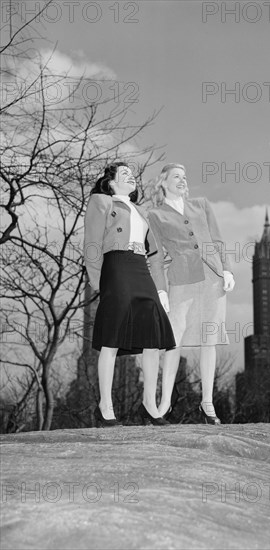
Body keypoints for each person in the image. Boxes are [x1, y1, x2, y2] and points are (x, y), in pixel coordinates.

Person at [84, 162, 176, 427]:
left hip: (140, 268)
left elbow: (156, 254)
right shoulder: (101, 202)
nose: (131, 176)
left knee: (152, 335)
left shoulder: (142, 210)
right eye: (124, 173)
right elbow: (91, 242)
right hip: (116, 266)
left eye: (132, 173)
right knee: (112, 335)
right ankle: (105, 406)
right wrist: (98, 281)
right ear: (111, 182)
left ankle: (150, 404)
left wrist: (161, 289)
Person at [147, 163, 235, 424]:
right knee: (173, 340)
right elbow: (155, 257)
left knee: (210, 339)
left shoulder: (202, 205)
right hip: (181, 280)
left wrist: (227, 270)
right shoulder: (155, 215)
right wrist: (161, 290)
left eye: (185, 177)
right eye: (177, 177)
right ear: (163, 182)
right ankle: (163, 404)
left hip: (212, 279)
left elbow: (218, 240)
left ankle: (207, 405)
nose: (183, 181)